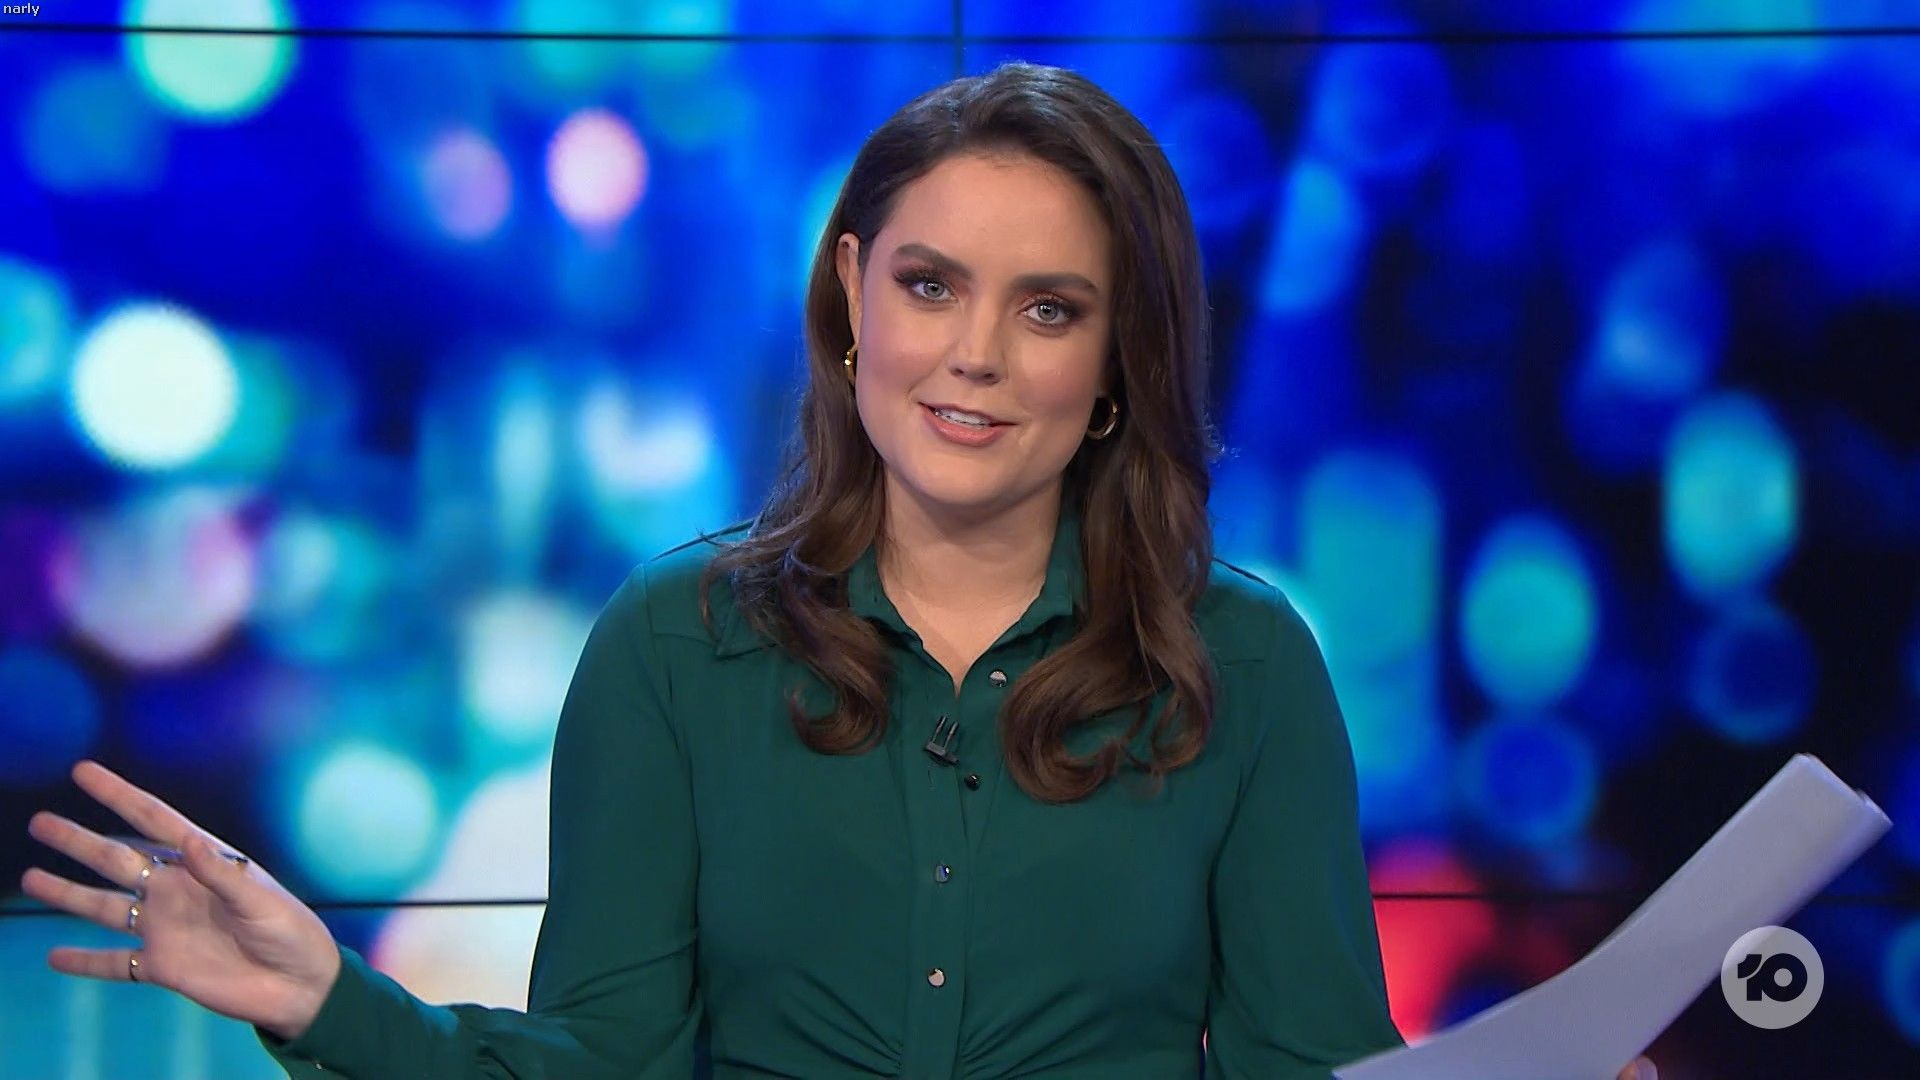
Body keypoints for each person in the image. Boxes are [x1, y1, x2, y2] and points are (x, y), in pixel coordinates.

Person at [19, 62, 1659, 1080]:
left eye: (1048, 308)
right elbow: (606, 1068)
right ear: (853, 296)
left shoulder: (1244, 664)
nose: (974, 356)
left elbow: (1313, 1071)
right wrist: (329, 1003)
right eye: (932, 286)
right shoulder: (673, 643)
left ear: (1119, 358)